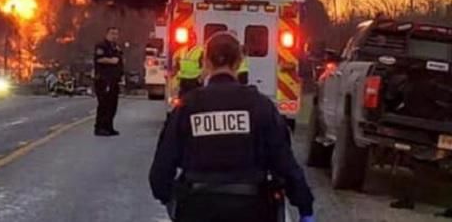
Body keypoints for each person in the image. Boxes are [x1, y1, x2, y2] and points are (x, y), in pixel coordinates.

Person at [149, 32, 315, 222]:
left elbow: (161, 169)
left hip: (198, 206)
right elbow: (284, 162)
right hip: (252, 208)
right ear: (238, 62)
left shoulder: (187, 107)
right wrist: (304, 206)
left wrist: (173, 201)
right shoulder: (260, 106)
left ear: (206, 62)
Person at [93, 26, 123, 136]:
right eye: (112, 33)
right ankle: (100, 127)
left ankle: (109, 127)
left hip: (114, 80)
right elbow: (99, 59)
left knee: (112, 105)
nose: (114, 36)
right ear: (107, 34)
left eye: (116, 34)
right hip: (103, 79)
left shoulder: (116, 47)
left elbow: (119, 61)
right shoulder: (101, 46)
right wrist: (111, 60)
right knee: (104, 104)